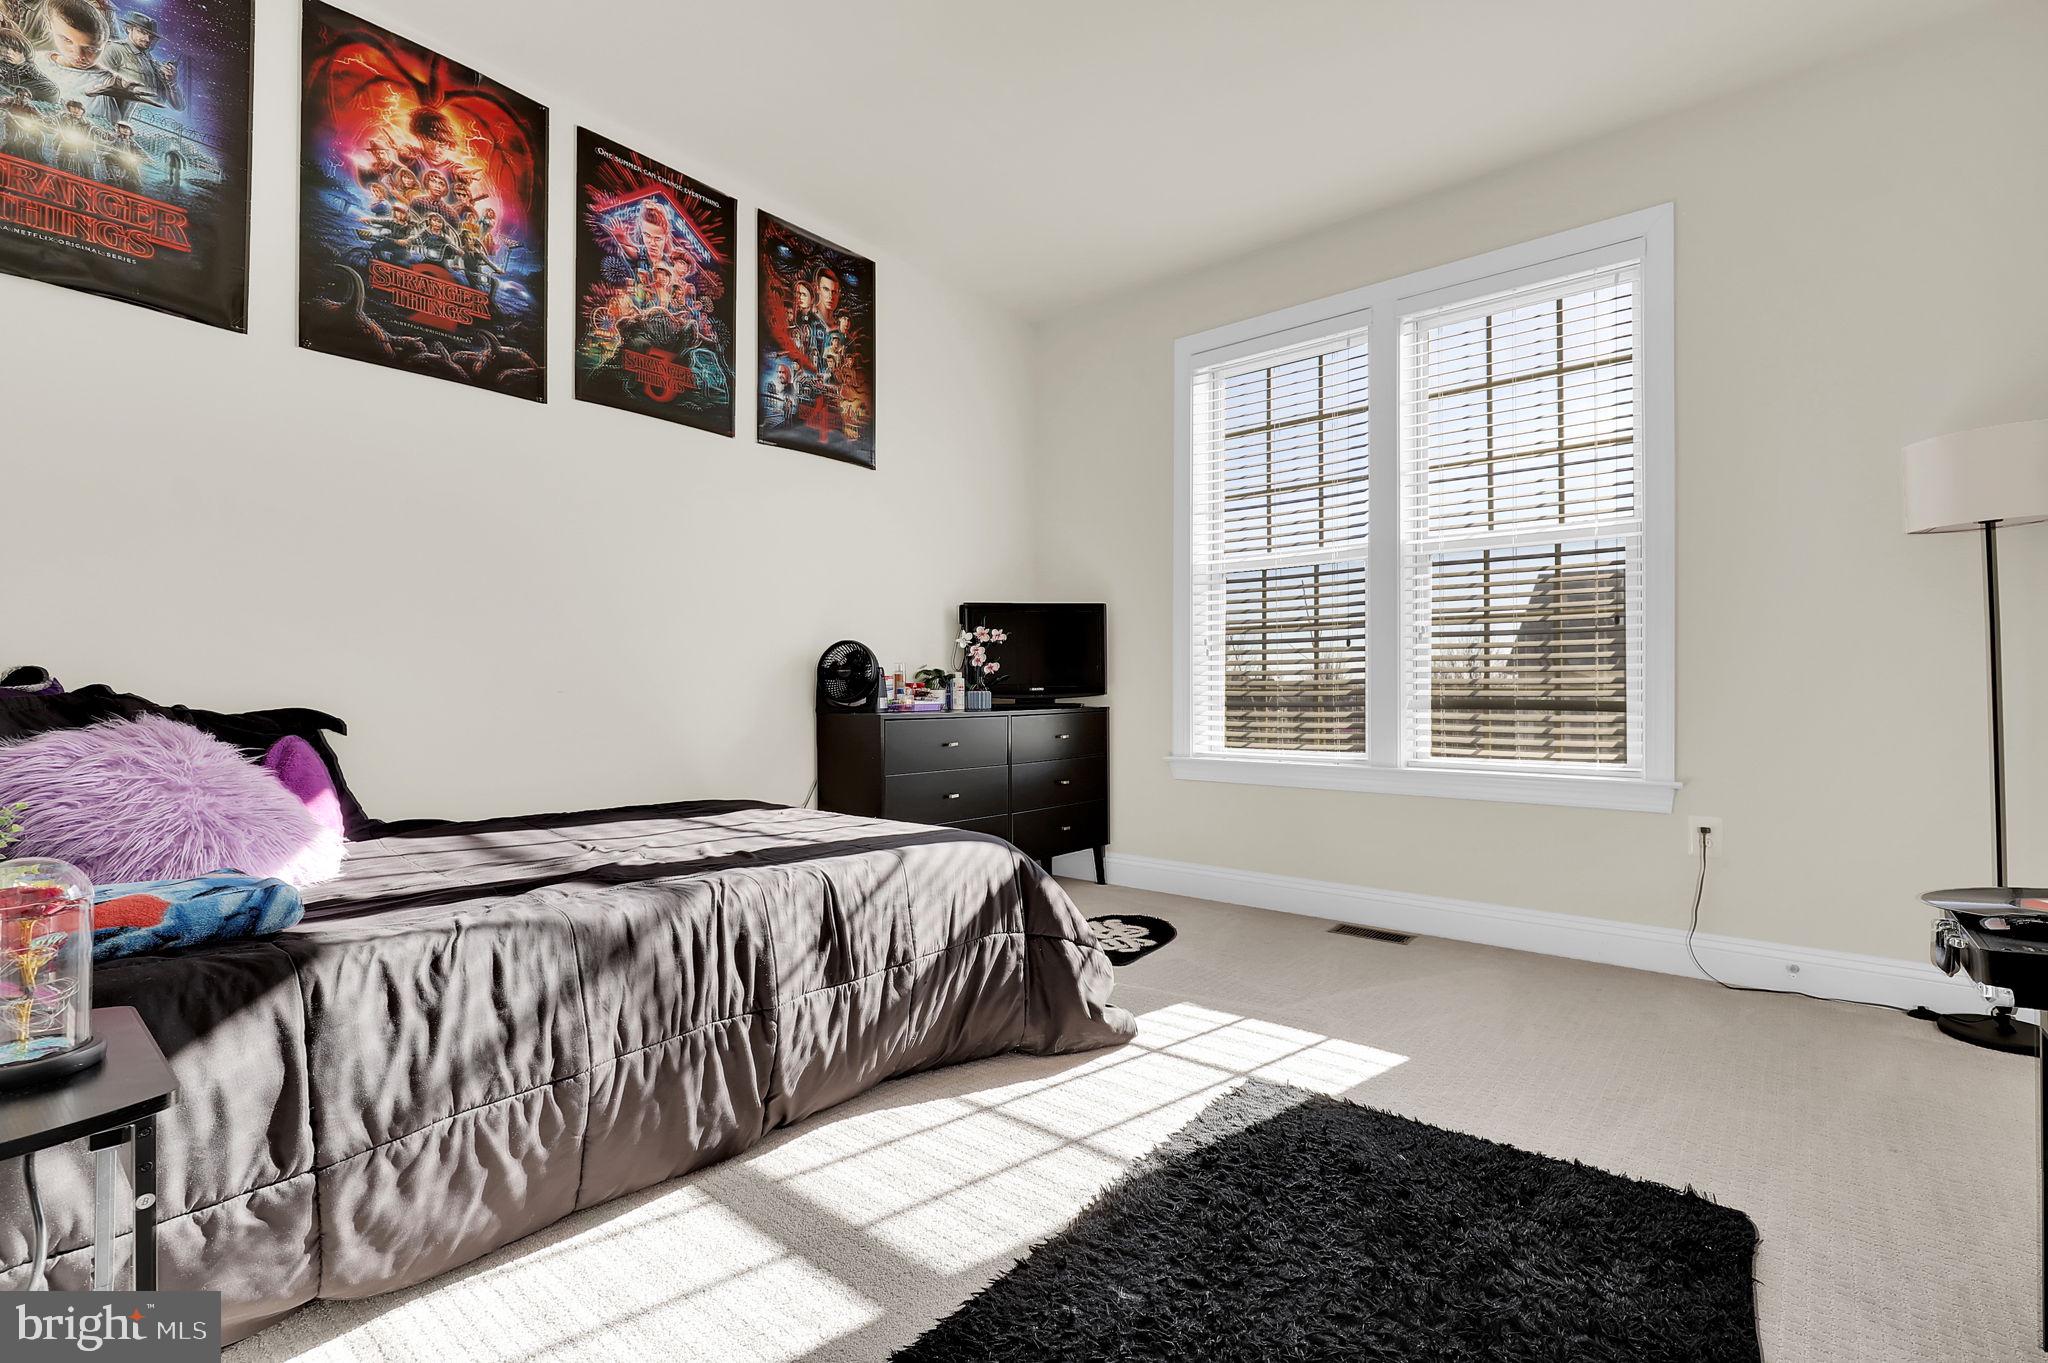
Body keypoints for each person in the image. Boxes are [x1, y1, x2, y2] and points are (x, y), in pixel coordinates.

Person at [98, 11, 179, 119]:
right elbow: (97, 85)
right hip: (121, 120)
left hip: (152, 123)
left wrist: (171, 82)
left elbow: (178, 106)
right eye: (142, 32)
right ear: (128, 28)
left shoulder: (153, 63)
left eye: (151, 36)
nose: (147, 39)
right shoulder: (113, 49)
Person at [99, 116, 144, 186]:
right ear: (119, 129)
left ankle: (136, 183)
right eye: (123, 128)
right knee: (106, 156)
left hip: (128, 160)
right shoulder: (116, 138)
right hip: (116, 157)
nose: (125, 130)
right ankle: (111, 176)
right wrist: (109, 141)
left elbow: (139, 150)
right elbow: (108, 141)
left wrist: (142, 157)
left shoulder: (132, 142)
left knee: (134, 171)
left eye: (127, 129)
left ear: (131, 131)